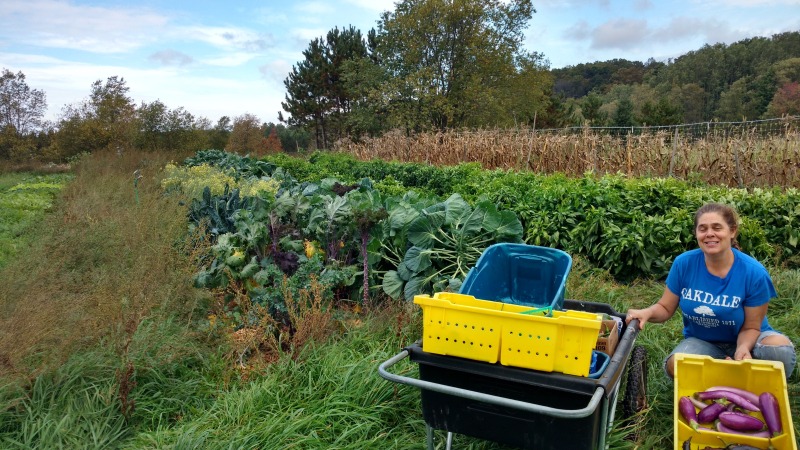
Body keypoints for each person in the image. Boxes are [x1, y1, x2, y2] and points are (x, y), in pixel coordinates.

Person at [625, 203, 796, 380]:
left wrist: (742, 349)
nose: (709, 234)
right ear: (696, 234)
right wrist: (647, 312)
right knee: (676, 365)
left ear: (732, 231)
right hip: (703, 342)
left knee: (778, 350)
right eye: (703, 228)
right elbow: (665, 308)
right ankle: (730, 379)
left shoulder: (754, 273)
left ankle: (753, 383)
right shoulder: (684, 264)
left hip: (749, 339)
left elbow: (752, 326)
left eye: (717, 227)